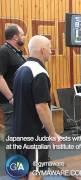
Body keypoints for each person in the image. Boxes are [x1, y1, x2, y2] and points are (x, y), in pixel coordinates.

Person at [12, 35, 61, 179]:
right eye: (50, 48)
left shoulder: (21, 69)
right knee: (37, 169)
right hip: (34, 134)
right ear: (42, 50)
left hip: (18, 130)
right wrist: (52, 133)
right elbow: (42, 107)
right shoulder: (39, 72)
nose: (51, 52)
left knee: (23, 168)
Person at [0, 24, 26, 161]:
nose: (24, 37)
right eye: (22, 34)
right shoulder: (4, 51)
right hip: (10, 102)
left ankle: (20, 161)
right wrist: (11, 97)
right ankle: (13, 165)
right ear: (15, 37)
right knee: (12, 135)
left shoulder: (16, 52)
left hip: (19, 101)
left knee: (19, 133)